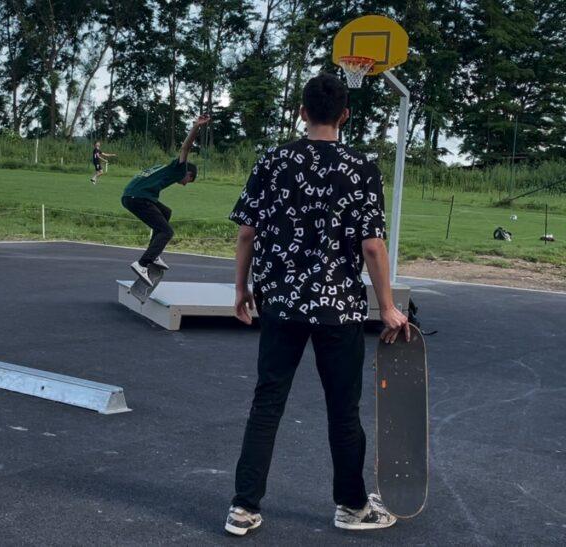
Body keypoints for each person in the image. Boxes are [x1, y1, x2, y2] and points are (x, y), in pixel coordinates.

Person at [224, 73, 410, 537]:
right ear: (345, 115)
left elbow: (247, 232)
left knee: (267, 403)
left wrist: (241, 289)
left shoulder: (273, 160)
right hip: (338, 309)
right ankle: (351, 505)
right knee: (342, 410)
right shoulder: (361, 166)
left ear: (302, 112)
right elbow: (372, 247)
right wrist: (386, 306)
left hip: (282, 303)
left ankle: (243, 508)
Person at [121, 115, 210, 283]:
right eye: (188, 181)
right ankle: (143, 264)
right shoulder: (179, 167)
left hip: (132, 195)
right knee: (167, 231)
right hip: (139, 198)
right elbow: (186, 147)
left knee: (166, 212)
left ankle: (153, 255)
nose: (184, 185)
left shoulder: (164, 167)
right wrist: (196, 127)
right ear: (188, 173)